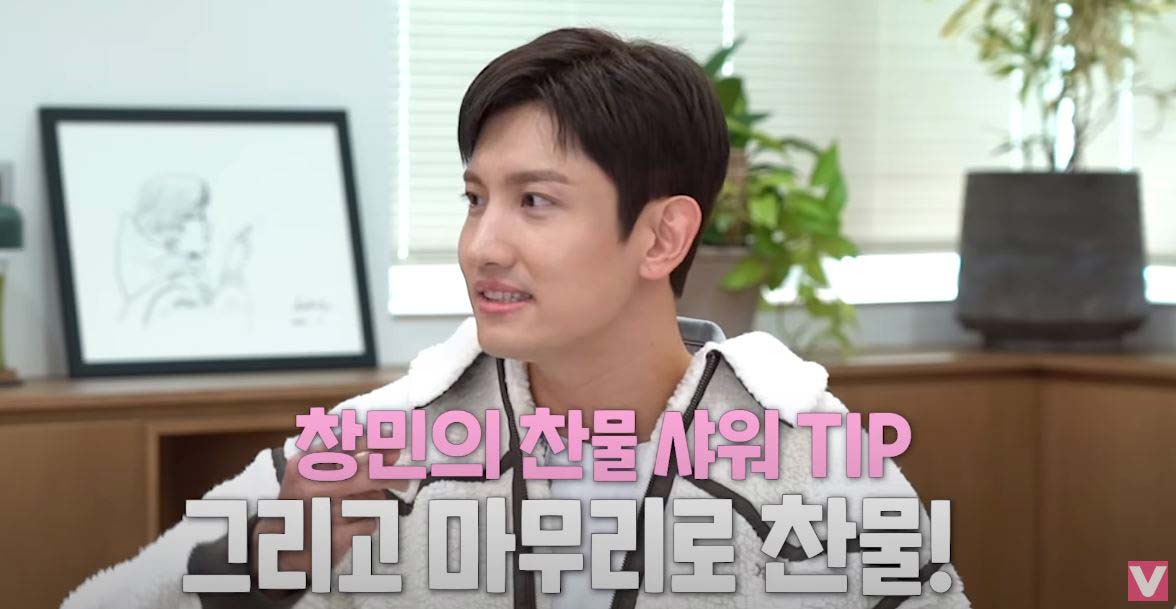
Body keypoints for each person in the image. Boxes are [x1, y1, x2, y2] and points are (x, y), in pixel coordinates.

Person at [61, 28, 971, 609]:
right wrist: (266, 559)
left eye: (535, 201)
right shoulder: (371, 446)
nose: (481, 245)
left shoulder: (816, 465)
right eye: (475, 199)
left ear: (662, 236)